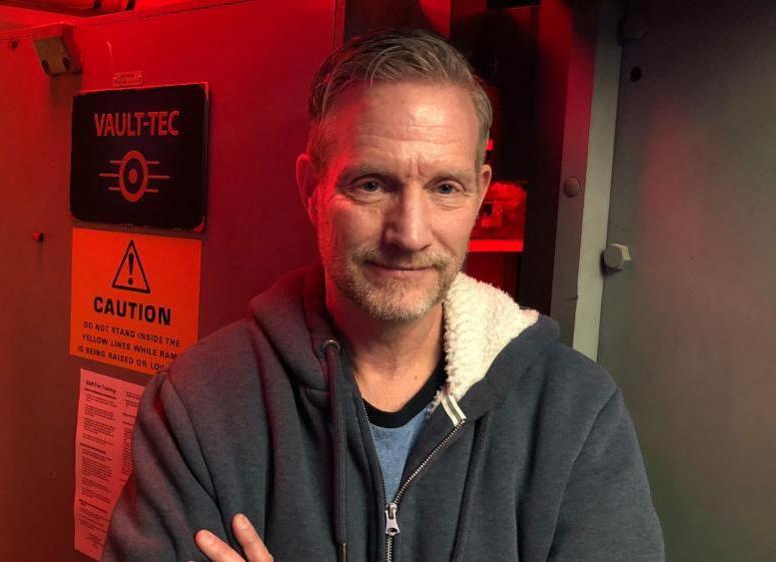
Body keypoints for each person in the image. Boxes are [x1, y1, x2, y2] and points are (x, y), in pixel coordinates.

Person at [104, 28, 664, 562]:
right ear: (311, 190)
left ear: (480, 196)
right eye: (372, 184)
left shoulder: (574, 414)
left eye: (446, 188)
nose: (410, 234)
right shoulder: (201, 405)